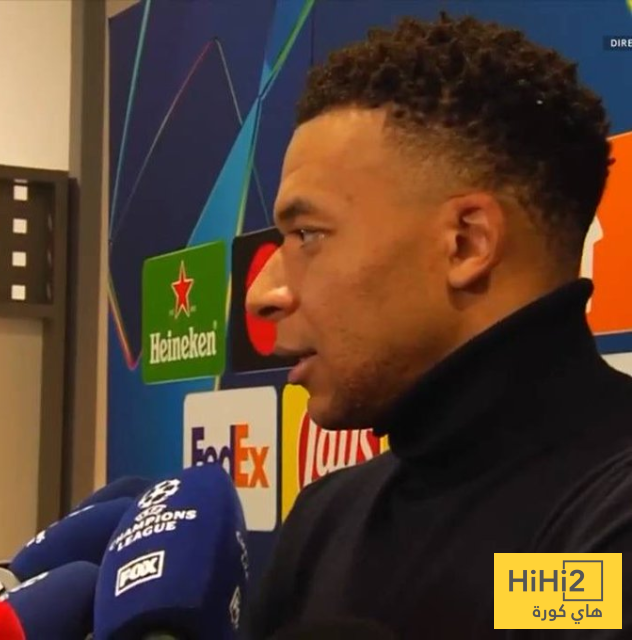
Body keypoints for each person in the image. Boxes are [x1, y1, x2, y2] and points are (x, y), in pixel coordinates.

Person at [245, 12, 631, 639]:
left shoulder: (607, 521)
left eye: (308, 235)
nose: (263, 294)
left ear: (466, 243)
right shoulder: (326, 521)